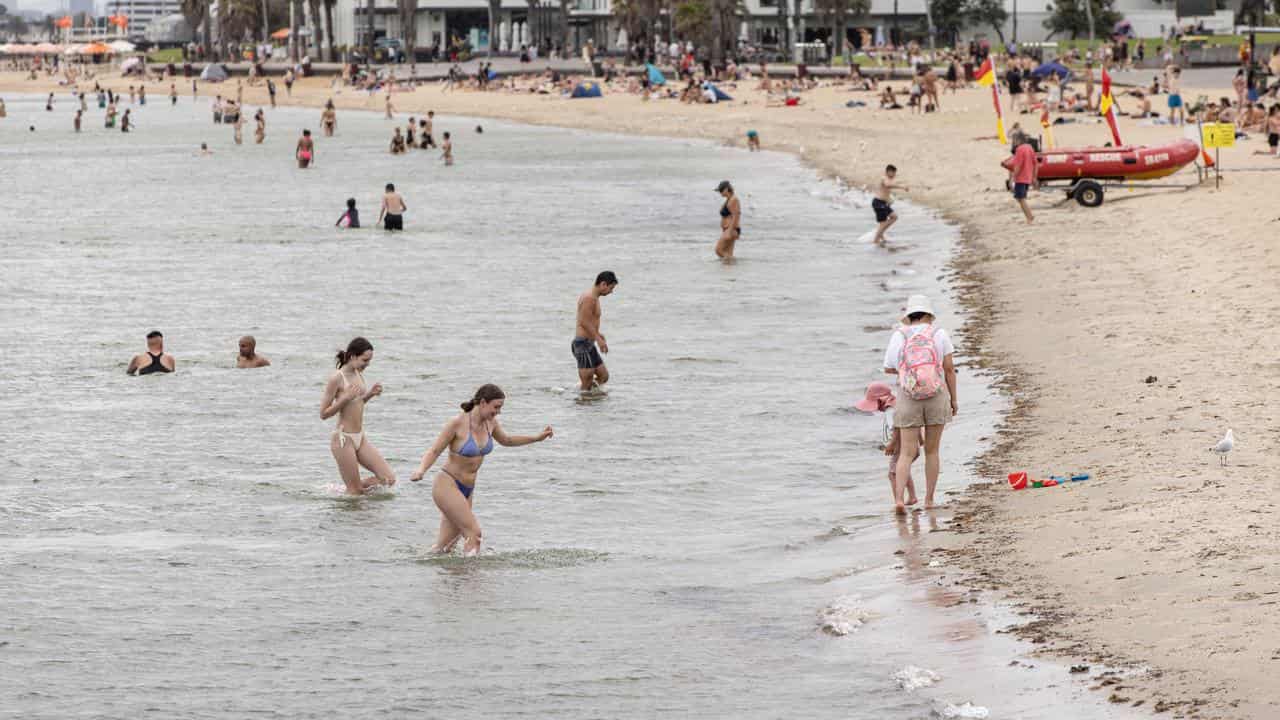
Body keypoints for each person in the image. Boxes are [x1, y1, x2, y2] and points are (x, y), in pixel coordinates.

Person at [408, 384, 554, 556]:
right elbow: (434, 450)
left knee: (444, 548)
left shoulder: (491, 423)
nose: (498, 412)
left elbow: (507, 440)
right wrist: (421, 470)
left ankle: (447, 579)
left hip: (468, 490)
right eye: (496, 407)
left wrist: (536, 438)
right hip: (447, 485)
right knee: (474, 534)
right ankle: (472, 579)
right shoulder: (457, 423)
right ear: (483, 402)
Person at [882, 295, 956, 513]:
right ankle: (929, 500)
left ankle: (899, 499)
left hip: (908, 395)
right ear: (928, 314)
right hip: (936, 393)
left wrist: (908, 371)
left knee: (905, 452)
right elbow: (949, 369)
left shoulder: (900, 335)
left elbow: (888, 367)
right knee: (932, 451)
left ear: (909, 316)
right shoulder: (939, 333)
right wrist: (954, 400)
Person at [319, 337, 396, 495]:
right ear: (352, 356)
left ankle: (344, 488)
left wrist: (370, 395)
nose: (367, 364)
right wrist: (343, 398)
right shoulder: (337, 378)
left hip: (360, 438)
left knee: (388, 479)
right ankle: (350, 489)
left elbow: (356, 404)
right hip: (343, 439)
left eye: (369, 361)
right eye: (365, 360)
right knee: (355, 492)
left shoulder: (358, 373)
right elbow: (323, 414)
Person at [854, 381, 920, 507]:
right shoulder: (900, 402)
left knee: (892, 474)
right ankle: (912, 497)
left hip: (901, 445)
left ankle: (898, 501)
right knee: (903, 470)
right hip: (911, 443)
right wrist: (920, 439)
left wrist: (891, 444)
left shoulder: (890, 410)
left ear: (880, 399)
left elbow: (897, 427)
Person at [572, 271, 618, 392]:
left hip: (589, 343)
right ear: (603, 284)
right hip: (582, 344)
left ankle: (591, 402)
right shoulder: (589, 298)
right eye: (611, 288)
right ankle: (582, 403)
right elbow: (583, 322)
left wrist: (598, 334)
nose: (611, 292)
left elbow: (589, 320)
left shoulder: (594, 298)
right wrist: (598, 339)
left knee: (603, 376)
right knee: (587, 381)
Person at [872, 164, 907, 245]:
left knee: (893, 217)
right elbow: (887, 185)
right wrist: (901, 187)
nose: (894, 175)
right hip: (878, 203)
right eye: (893, 173)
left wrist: (890, 200)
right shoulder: (884, 178)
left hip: (883, 203)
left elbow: (885, 192)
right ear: (888, 172)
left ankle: (880, 236)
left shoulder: (889, 179)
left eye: (895, 173)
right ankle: (876, 240)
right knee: (884, 222)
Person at [1009, 134, 1037, 224]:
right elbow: (1035, 163)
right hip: (1028, 177)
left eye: (1014, 140)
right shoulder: (1029, 148)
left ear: (1018, 140)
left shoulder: (1019, 149)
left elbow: (1018, 166)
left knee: (1021, 198)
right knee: (1020, 198)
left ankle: (1030, 217)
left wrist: (1012, 178)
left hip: (1020, 178)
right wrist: (1034, 177)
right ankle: (1029, 216)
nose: (1013, 143)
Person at [715, 180, 741, 259]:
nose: (720, 193)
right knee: (728, 253)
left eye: (721, 190)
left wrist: (730, 231)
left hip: (731, 229)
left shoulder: (734, 199)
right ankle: (731, 268)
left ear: (726, 189)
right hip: (728, 229)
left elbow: (736, 216)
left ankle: (733, 261)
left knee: (718, 250)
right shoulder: (729, 199)